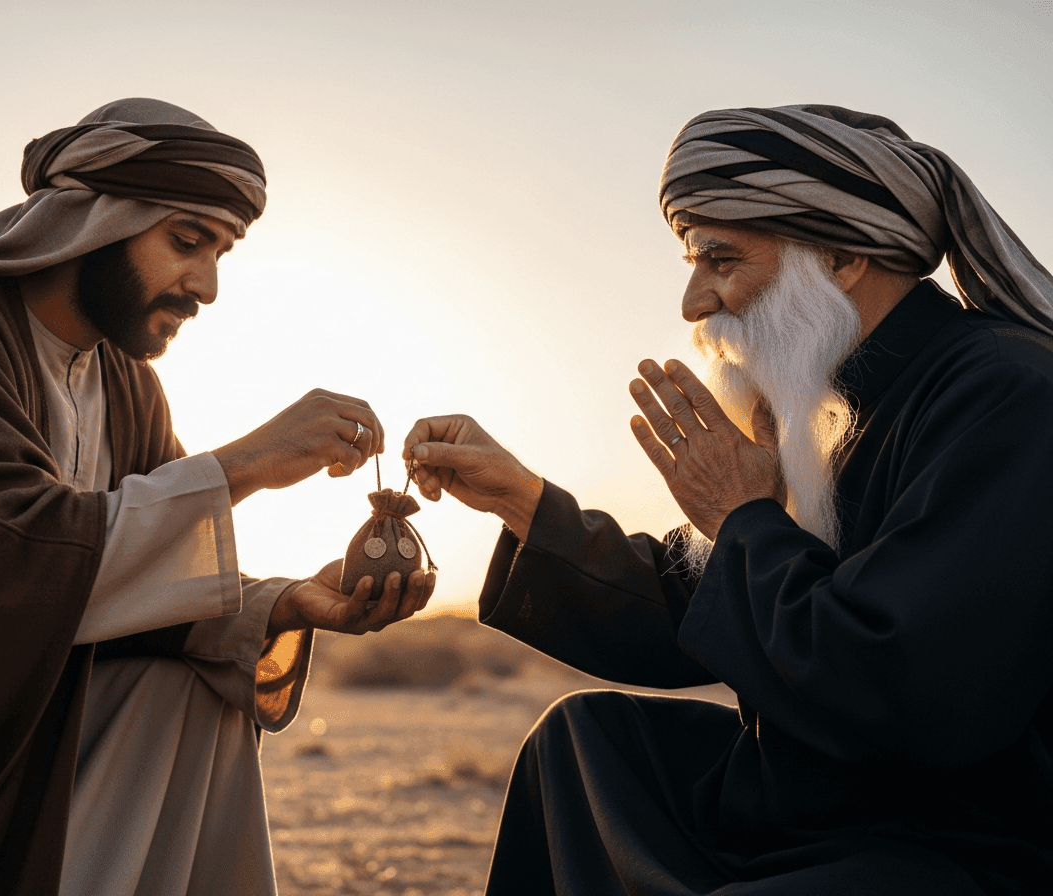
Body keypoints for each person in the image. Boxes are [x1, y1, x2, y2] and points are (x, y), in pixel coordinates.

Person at [0, 98, 434, 895]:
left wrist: (289, 604)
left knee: (194, 687)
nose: (209, 285)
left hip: (15, 735)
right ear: (89, 219)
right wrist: (252, 461)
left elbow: (140, 578)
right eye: (187, 241)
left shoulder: (125, 382)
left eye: (221, 252)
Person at [403, 105, 1053, 894]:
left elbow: (905, 686)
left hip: (955, 837)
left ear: (843, 254)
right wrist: (527, 505)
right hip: (828, 799)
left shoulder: (1007, 394)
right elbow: (719, 603)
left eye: (720, 259)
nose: (693, 302)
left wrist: (744, 519)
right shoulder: (839, 407)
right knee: (585, 742)